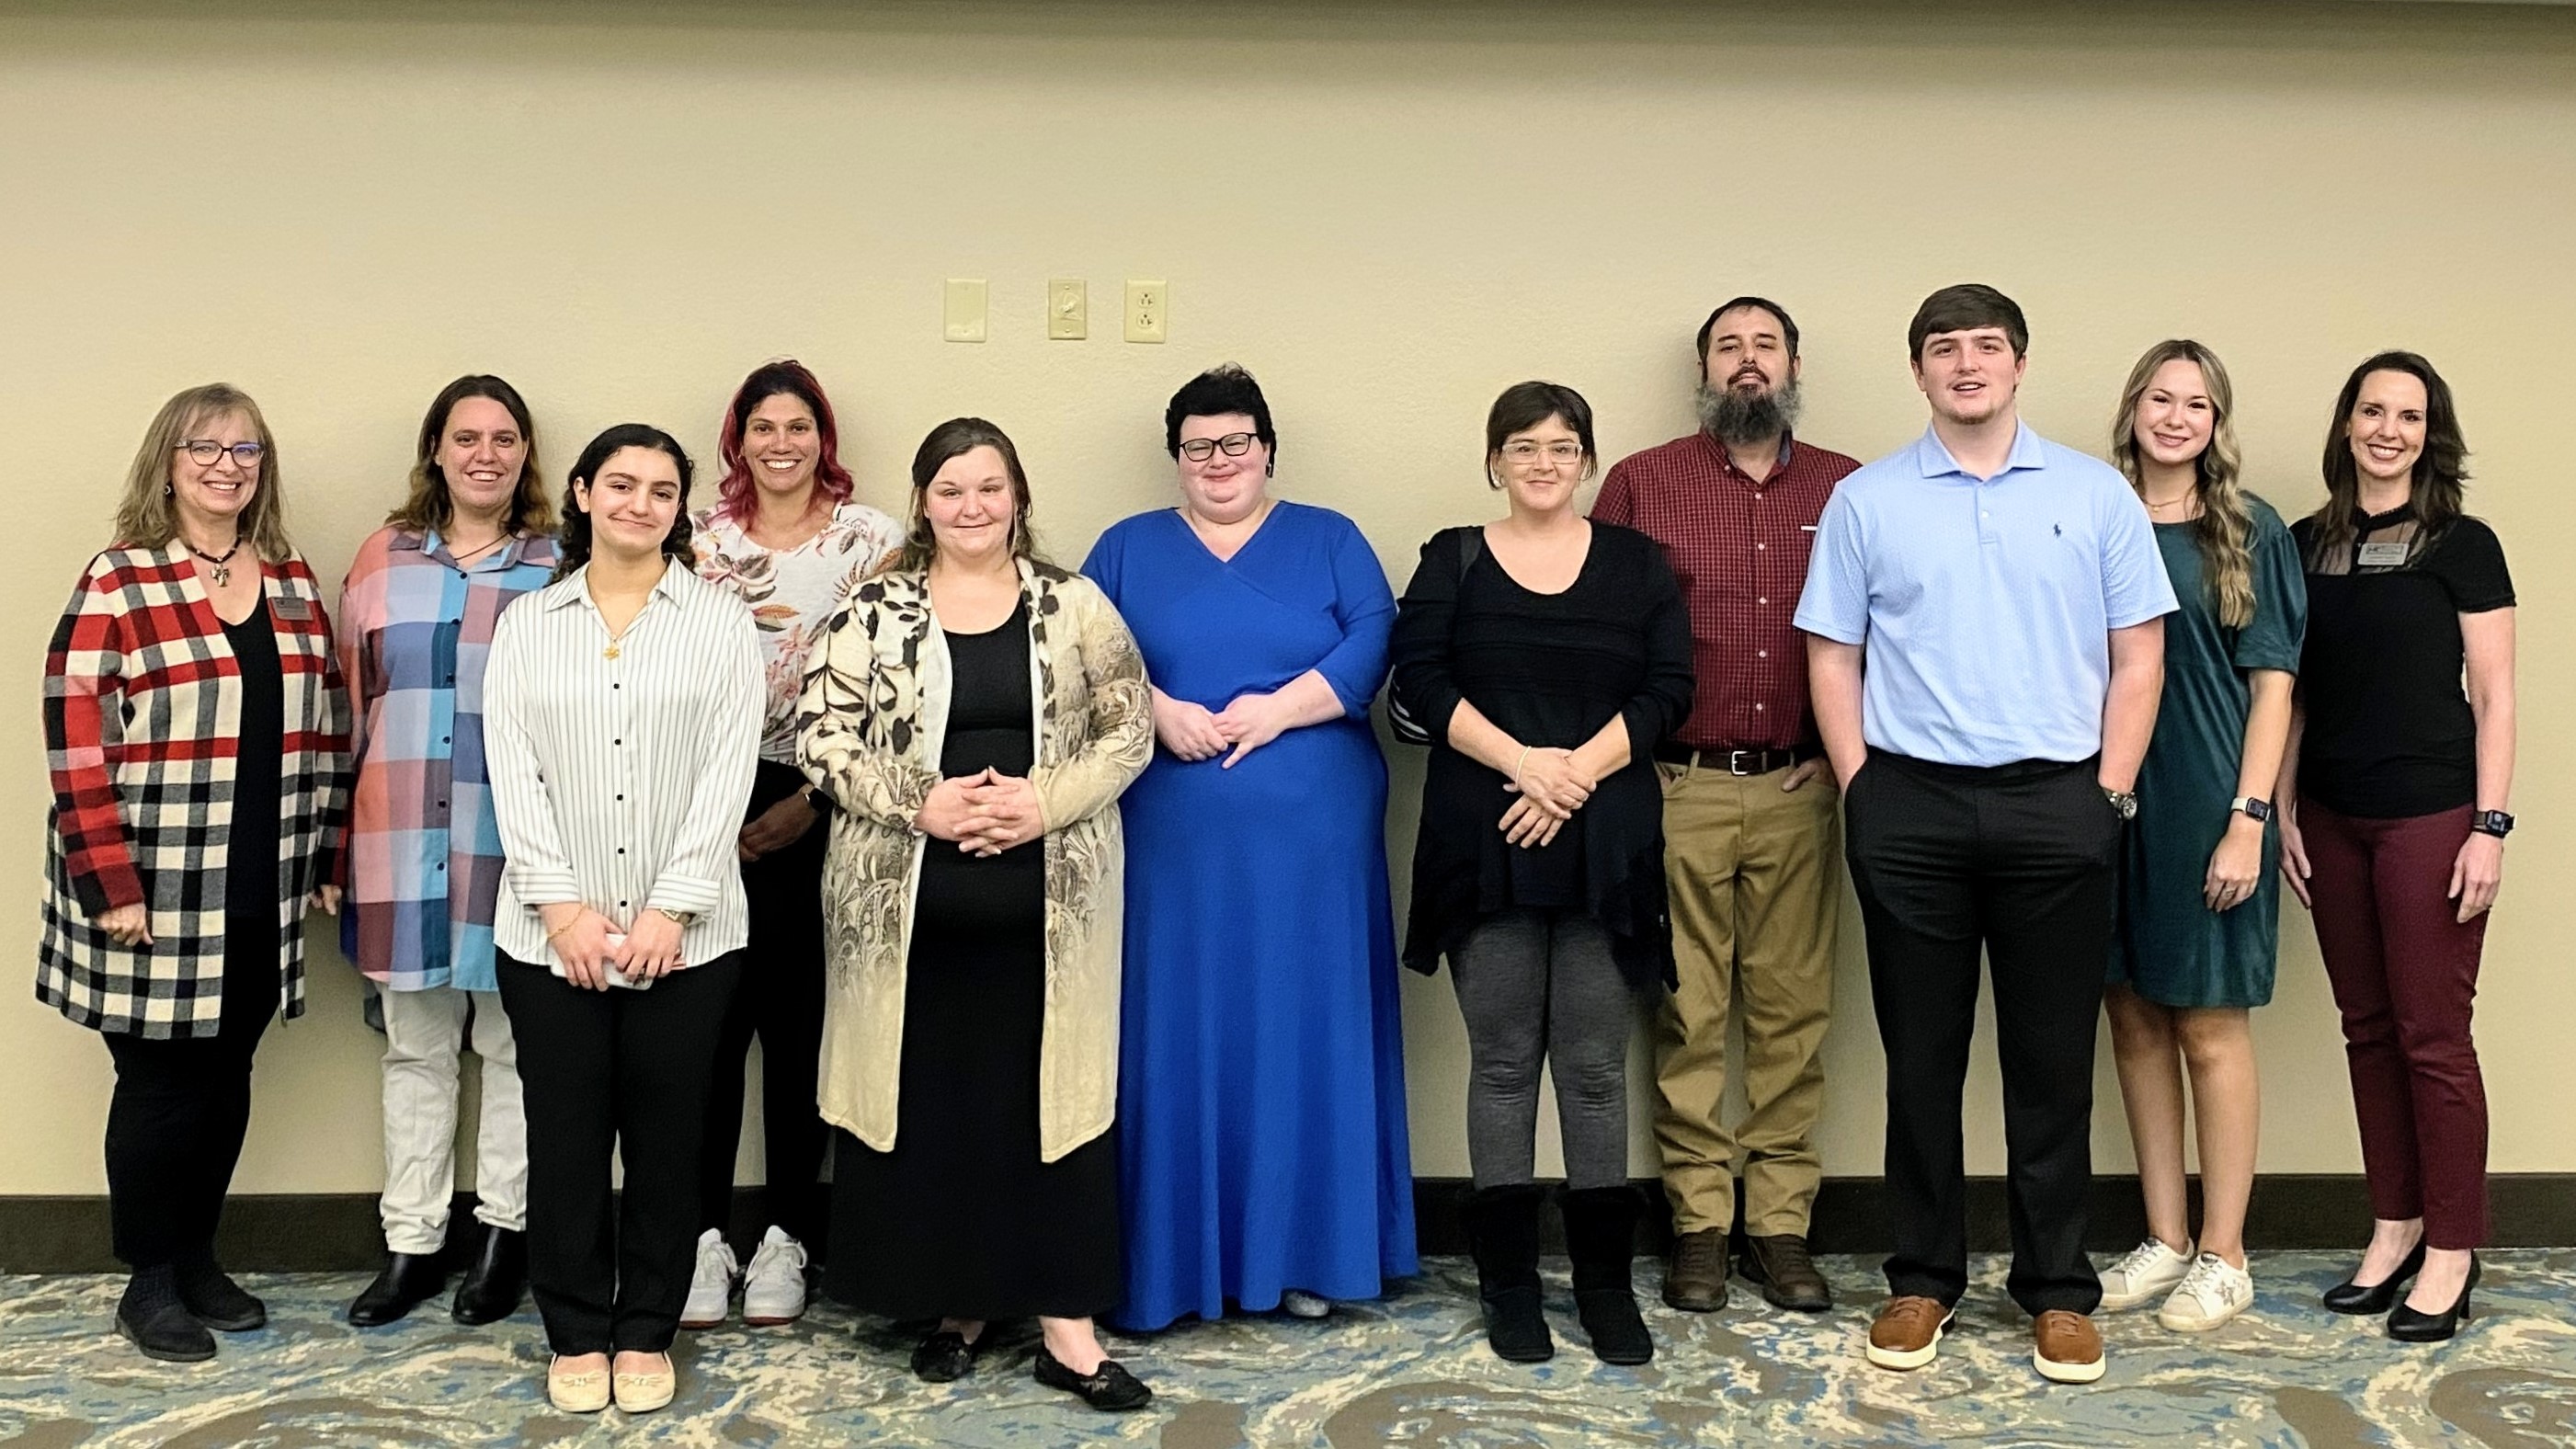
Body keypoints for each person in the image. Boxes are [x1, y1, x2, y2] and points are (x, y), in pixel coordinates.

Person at [1795, 284, 2175, 1385]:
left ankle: (2058, 1291)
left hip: (2059, 802)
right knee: (1921, 1061)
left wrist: (2104, 793)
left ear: (2019, 366)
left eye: (1988, 347)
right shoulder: (1869, 500)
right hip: (1909, 805)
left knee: (2051, 1064)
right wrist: (1865, 788)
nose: (1967, 365)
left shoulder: (2094, 495)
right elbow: (1834, 654)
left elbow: (2139, 654)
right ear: (1919, 372)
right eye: (1945, 349)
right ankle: (1922, 1279)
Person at [802, 418, 1156, 1411]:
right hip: (906, 911)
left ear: (1018, 496)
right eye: (951, 489)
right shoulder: (873, 610)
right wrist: (926, 800)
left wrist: (1038, 801)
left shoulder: (1074, 603)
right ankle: (955, 1305)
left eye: (989, 487)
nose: (971, 506)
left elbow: (1131, 728)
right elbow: (819, 734)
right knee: (939, 1103)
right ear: (923, 502)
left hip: (1054, 908)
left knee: (1050, 1108)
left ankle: (1066, 1329)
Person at [1083, 363, 1417, 1331]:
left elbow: (1373, 638)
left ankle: (1313, 1251)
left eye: (1236, 442)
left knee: (1305, 1026)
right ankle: (1174, 1264)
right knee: (1179, 1029)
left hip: (1314, 843)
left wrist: (1277, 711)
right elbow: (1081, 657)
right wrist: (1159, 712)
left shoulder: (1332, 539)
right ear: (1176, 459)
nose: (1219, 461)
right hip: (1173, 844)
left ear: (1268, 447)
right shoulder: (1126, 549)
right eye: (1198, 446)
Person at [40, 383, 350, 1362]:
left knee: (226, 1076)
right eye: (203, 448)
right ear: (166, 465)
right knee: (162, 1085)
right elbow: (73, 733)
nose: (226, 464)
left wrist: (331, 849)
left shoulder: (294, 580)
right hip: (155, 886)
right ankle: (150, 1279)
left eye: (245, 448)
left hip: (264, 875)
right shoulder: (122, 579)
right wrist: (111, 884)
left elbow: (332, 723)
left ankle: (201, 1256)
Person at [1389, 382, 1694, 1367]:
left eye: (1563, 446)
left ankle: (1605, 1287)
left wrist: (1570, 776)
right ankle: (1510, 1286)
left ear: (1588, 462)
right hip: (1488, 834)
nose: (1543, 462)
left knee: (1597, 1068)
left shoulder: (1640, 564)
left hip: (1606, 836)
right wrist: (1525, 765)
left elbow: (1669, 691)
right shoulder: (1455, 558)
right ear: (1495, 461)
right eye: (1523, 446)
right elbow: (1423, 680)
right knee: (1507, 1060)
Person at [484, 424, 762, 1415]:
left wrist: (668, 909)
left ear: (680, 507)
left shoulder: (722, 623)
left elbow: (728, 774)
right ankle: (572, 1327)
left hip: (688, 940)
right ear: (583, 493)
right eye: (621, 485)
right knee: (563, 1138)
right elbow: (512, 773)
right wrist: (561, 908)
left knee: (667, 1139)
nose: (640, 504)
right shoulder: (529, 624)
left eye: (661, 490)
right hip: (548, 939)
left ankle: (647, 1326)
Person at [1593, 297, 1860, 1315]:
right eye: (1728, 347)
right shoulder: (1642, 484)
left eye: (1766, 346)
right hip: (1679, 786)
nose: (1748, 363)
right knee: (1688, 1012)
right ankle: (1701, 1226)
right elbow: (1598, 624)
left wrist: (1848, 760)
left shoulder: (1851, 488)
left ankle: (1782, 1227)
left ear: (1795, 363)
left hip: (1804, 785)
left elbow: (1895, 631)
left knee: (1794, 1014)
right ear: (1703, 369)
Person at [2279, 351, 2514, 1343]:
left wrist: (2489, 827)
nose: (2388, 429)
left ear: (2431, 433)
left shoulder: (2465, 545)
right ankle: (2394, 1225)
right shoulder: (2303, 544)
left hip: (2430, 818)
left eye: (2408, 415)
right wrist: (2281, 808)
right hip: (2331, 818)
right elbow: (2283, 691)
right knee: (2366, 1030)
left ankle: (2452, 1248)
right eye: (2372, 410)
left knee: (2432, 1037)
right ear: (2346, 426)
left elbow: (2497, 696)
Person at [683, 360, 903, 1330]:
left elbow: (897, 687)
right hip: (707, 804)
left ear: (826, 437)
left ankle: (785, 1238)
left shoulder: (874, 540)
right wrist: (709, 813)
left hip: (830, 805)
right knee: (707, 1030)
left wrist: (810, 800)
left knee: (801, 1023)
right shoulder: (697, 543)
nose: (782, 443)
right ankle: (701, 1240)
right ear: (738, 439)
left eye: (800, 426)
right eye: (763, 426)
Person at [339, 375, 559, 1329]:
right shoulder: (382, 560)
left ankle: (506, 1239)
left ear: (525, 455)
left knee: (515, 1051)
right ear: (435, 448)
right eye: (465, 436)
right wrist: (329, 851)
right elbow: (347, 705)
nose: (485, 453)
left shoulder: (558, 566)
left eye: (504, 438)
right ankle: (413, 1245)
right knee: (416, 1051)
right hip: (397, 843)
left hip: (513, 846)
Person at [2096, 341, 2305, 1333]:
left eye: (2197, 404)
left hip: (2209, 802)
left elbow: (2275, 683)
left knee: (2209, 1025)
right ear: (2132, 405)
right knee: (2132, 1016)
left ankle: (2226, 1252)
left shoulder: (2249, 529)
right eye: (2160, 398)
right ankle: (2166, 1237)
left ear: (2216, 423)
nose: (2176, 417)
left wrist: (2248, 818)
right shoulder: (2092, 513)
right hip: (2107, 796)